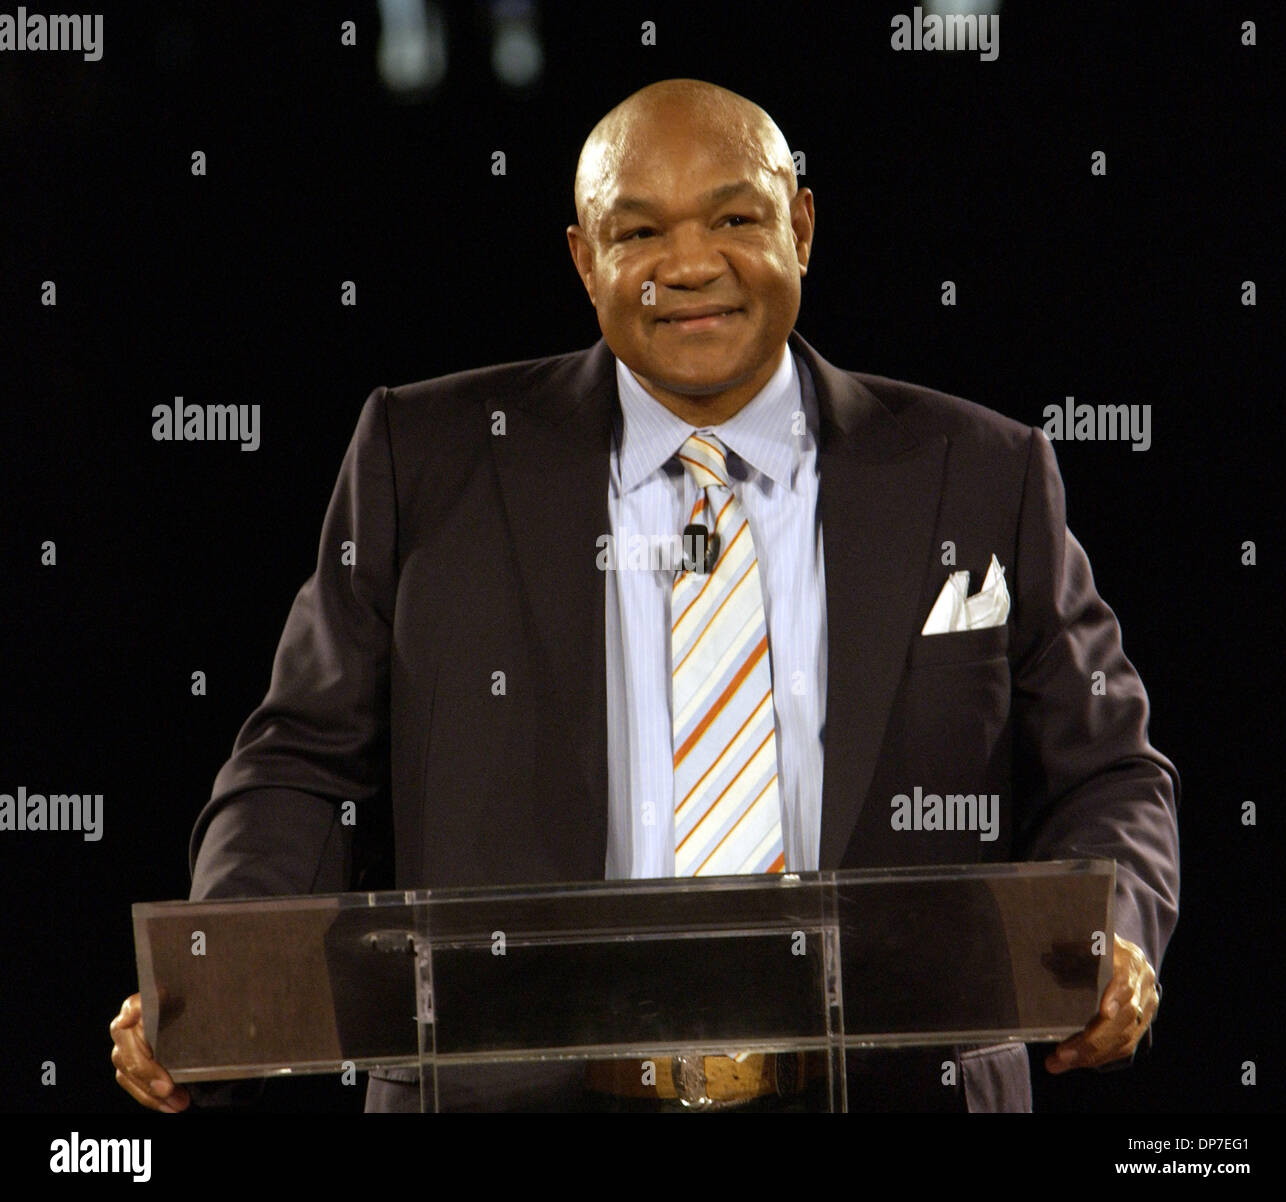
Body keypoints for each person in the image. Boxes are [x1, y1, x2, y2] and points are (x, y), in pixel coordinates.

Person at [111, 78, 1179, 1113]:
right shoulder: (425, 459)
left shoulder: (981, 469)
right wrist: (216, 982)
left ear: (801, 227)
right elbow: (302, 765)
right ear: (583, 259)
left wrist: (1112, 936)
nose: (690, 264)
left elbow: (1109, 770)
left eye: (733, 216)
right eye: (637, 234)